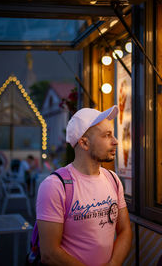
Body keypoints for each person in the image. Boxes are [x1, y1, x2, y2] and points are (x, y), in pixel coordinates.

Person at [36, 105, 132, 266]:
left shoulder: (113, 179)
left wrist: (114, 263)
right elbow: (49, 253)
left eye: (113, 135)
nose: (115, 141)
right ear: (84, 143)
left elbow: (125, 230)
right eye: (107, 135)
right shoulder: (55, 186)